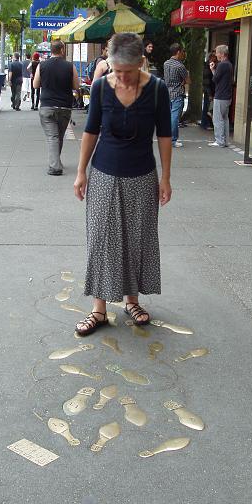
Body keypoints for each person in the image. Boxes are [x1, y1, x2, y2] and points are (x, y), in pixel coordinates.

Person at [73, 32, 172, 336]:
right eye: (117, 71)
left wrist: (166, 177)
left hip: (142, 175)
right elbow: (90, 131)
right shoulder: (102, 87)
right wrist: (81, 172)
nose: (123, 78)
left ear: (142, 63)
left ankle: (132, 301)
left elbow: (165, 135)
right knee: (102, 239)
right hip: (104, 172)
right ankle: (98, 309)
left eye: (128, 72)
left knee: (137, 238)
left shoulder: (156, 90)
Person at [33, 40, 80, 176]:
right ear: (62, 50)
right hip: (65, 106)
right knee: (58, 136)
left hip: (47, 106)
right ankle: (56, 162)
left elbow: (35, 85)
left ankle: (55, 167)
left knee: (53, 137)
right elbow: (76, 86)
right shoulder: (70, 66)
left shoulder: (42, 65)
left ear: (51, 50)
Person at [163, 43, 190, 148]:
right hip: (177, 93)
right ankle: (173, 140)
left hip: (168, 92)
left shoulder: (166, 63)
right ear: (178, 52)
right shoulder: (180, 66)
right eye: (182, 51)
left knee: (169, 116)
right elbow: (188, 80)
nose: (183, 53)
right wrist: (183, 81)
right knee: (175, 117)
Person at [208, 44, 233, 148]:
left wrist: (212, 69)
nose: (216, 54)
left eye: (217, 52)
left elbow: (215, 79)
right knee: (225, 118)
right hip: (227, 95)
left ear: (222, 54)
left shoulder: (222, 65)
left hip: (220, 95)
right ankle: (225, 140)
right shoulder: (229, 64)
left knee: (217, 119)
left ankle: (219, 141)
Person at [200, 52, 216, 130]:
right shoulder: (207, 67)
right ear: (211, 57)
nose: (215, 58)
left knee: (207, 107)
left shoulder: (209, 66)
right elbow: (207, 82)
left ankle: (205, 124)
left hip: (209, 90)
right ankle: (205, 124)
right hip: (208, 91)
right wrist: (210, 94)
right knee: (207, 108)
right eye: (214, 57)